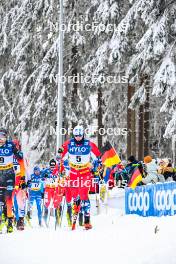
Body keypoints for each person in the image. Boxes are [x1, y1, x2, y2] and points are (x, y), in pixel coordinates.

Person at [61, 125, 101, 230]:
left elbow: (97, 159)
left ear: (83, 134)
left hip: (84, 172)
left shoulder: (89, 144)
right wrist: (66, 168)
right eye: (76, 136)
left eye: (80, 135)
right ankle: (75, 216)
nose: (78, 137)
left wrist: (94, 167)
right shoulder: (69, 144)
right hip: (73, 172)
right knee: (76, 197)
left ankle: (87, 220)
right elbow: (62, 158)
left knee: (84, 194)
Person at [0, 128, 23, 233]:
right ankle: (2, 220)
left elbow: (19, 158)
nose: (1, 140)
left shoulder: (10, 145)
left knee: (9, 198)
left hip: (9, 173)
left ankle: (10, 222)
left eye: (3, 137)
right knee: (1, 200)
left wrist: (19, 154)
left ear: (6, 137)